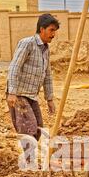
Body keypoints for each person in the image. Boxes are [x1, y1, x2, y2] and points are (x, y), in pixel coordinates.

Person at [6, 13, 60, 154]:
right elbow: (14, 67)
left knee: (38, 128)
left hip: (32, 95)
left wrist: (49, 99)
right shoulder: (27, 43)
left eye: (55, 31)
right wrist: (12, 92)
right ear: (42, 29)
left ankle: (29, 157)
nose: (54, 34)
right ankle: (28, 160)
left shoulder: (45, 50)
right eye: (51, 30)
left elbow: (47, 75)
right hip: (19, 94)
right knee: (28, 127)